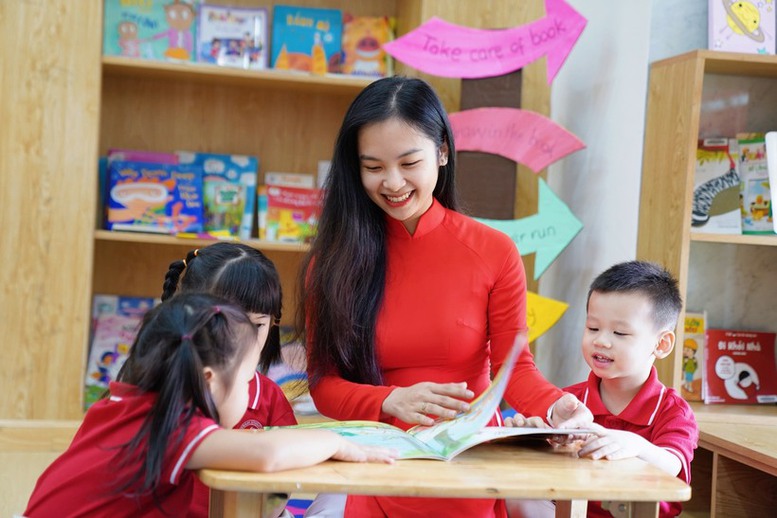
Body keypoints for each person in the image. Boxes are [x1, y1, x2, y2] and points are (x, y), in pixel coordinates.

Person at [297, 75, 593, 518]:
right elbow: (324, 386)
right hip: (379, 455)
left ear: (442, 152)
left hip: (470, 456)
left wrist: (557, 406)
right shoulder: (333, 264)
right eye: (373, 167)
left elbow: (516, 370)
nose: (392, 182)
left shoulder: (493, 251)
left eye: (408, 162)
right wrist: (389, 400)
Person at [24, 293, 396, 517]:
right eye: (247, 378)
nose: (251, 389)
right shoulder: (172, 424)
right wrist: (336, 442)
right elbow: (266, 454)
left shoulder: (124, 402)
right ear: (208, 380)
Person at [507, 260, 699, 518]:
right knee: (516, 499)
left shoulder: (672, 411)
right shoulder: (569, 403)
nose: (601, 341)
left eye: (620, 333)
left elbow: (672, 465)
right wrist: (529, 439)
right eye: (593, 328)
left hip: (638, 514)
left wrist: (636, 446)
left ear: (661, 344)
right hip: (571, 512)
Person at [161, 242, 297, 516]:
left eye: (258, 324)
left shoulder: (269, 397)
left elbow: (287, 472)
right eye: (230, 322)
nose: (244, 340)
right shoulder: (165, 391)